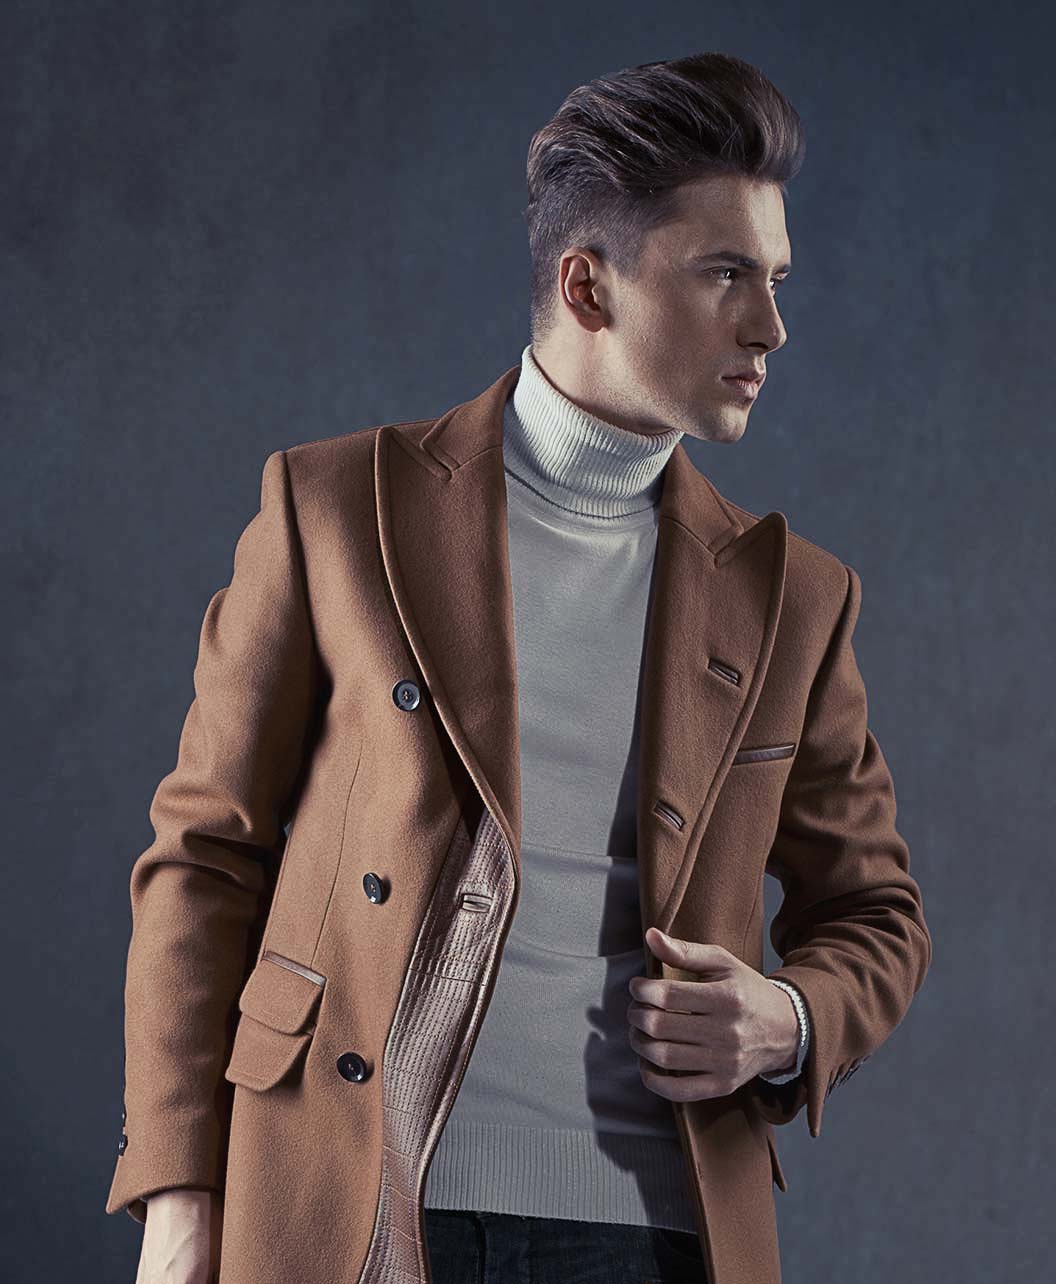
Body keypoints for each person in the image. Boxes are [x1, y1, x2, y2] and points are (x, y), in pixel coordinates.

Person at [109, 51, 932, 1284]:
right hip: (349, 1201)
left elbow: (875, 913)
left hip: (658, 1232)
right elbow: (205, 856)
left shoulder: (793, 600)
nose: (770, 326)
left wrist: (791, 1018)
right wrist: (181, 1203)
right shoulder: (337, 511)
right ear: (586, 285)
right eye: (724, 274)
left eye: (775, 280)